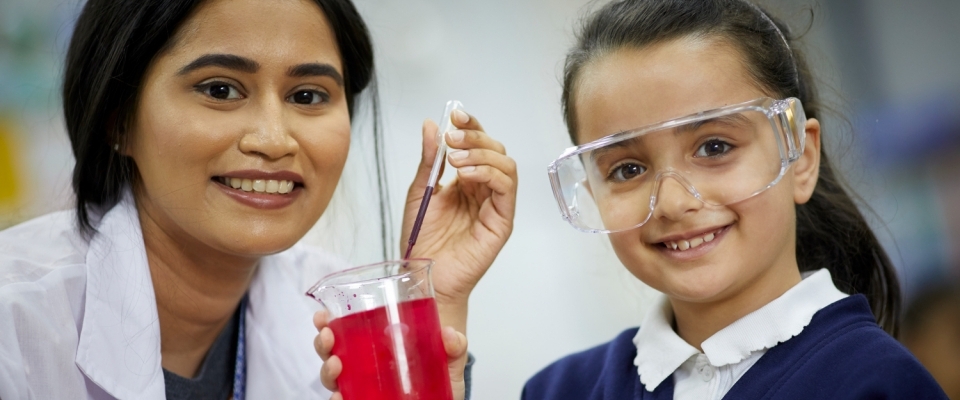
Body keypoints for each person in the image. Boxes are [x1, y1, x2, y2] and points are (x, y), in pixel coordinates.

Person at [0, 0, 517, 399]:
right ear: (118, 120)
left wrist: (427, 312)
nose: (273, 140)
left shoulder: (336, 318)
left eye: (307, 96)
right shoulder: (15, 320)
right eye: (220, 90)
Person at [522, 0, 947, 398]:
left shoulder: (878, 383)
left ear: (800, 158)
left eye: (715, 147)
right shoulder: (561, 390)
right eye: (627, 170)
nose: (673, 203)